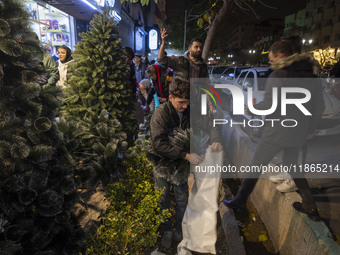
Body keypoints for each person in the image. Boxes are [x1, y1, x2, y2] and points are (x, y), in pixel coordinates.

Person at [224, 40, 325, 221]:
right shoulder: (310, 75)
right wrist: (310, 128)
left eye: (270, 55)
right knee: (294, 167)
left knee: (255, 166)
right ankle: (311, 207)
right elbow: (319, 105)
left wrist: (251, 109)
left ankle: (239, 201)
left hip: (277, 131)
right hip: (298, 130)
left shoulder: (279, 75)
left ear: (279, 55)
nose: (269, 59)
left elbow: (272, 104)